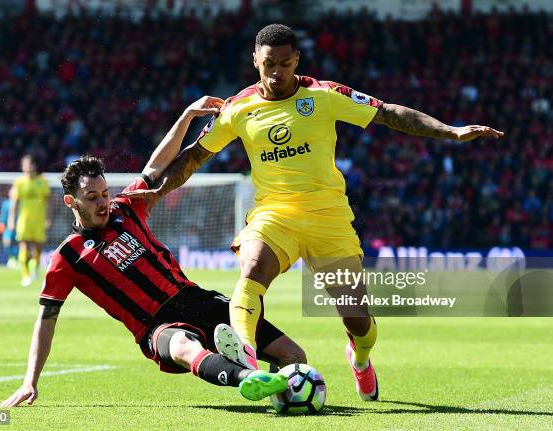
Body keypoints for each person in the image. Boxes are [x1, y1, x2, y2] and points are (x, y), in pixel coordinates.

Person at [118, 24, 504, 402]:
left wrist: (450, 131)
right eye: (269, 63)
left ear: (296, 60)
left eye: (285, 63)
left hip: (328, 217)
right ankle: (247, 355)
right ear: (256, 60)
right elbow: (193, 157)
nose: (276, 72)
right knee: (252, 268)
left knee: (358, 319)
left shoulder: (324, 95)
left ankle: (360, 356)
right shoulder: (238, 108)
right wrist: (155, 191)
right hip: (274, 213)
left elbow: (388, 113)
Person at [0, 96, 305, 408]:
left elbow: (156, 166)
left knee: (295, 356)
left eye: (104, 193)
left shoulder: (126, 207)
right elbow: (47, 319)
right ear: (71, 202)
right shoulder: (68, 256)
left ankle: (279, 393)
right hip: (157, 325)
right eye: (92, 197)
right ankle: (247, 378)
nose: (103, 202)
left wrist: (187, 115)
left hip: (197, 298)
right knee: (184, 348)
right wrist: (30, 381)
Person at [8, 155, 51, 286]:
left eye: (30, 164)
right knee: (24, 246)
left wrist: (48, 218)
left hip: (39, 219)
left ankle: (35, 269)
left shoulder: (42, 181)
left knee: (38, 248)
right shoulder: (19, 182)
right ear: (22, 166)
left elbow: (47, 202)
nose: (28, 167)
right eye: (26, 164)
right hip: (24, 220)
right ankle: (25, 275)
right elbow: (14, 202)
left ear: (35, 165)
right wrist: (11, 219)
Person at [0, 191, 18, 268]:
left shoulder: (20, 203)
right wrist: (1, 222)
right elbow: (3, 215)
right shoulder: (6, 203)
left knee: (18, 243)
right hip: (8, 227)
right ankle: (11, 258)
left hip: (18, 227)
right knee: (7, 241)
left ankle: (16, 259)